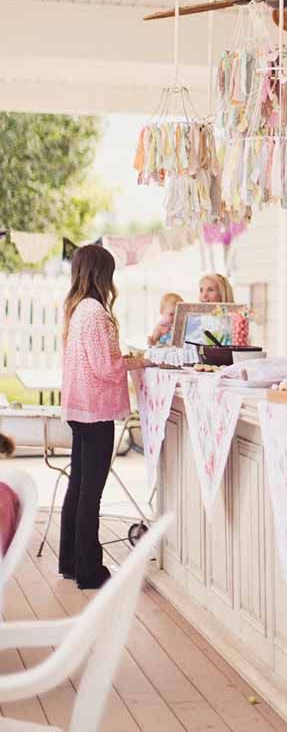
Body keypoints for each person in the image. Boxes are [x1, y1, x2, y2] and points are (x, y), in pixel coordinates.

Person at [59, 243, 136, 590]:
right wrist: (135, 361)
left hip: (80, 409)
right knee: (92, 492)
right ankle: (90, 571)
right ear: (102, 274)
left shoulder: (78, 309)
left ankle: (72, 562)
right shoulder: (95, 312)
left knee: (78, 488)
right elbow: (106, 366)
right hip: (96, 411)